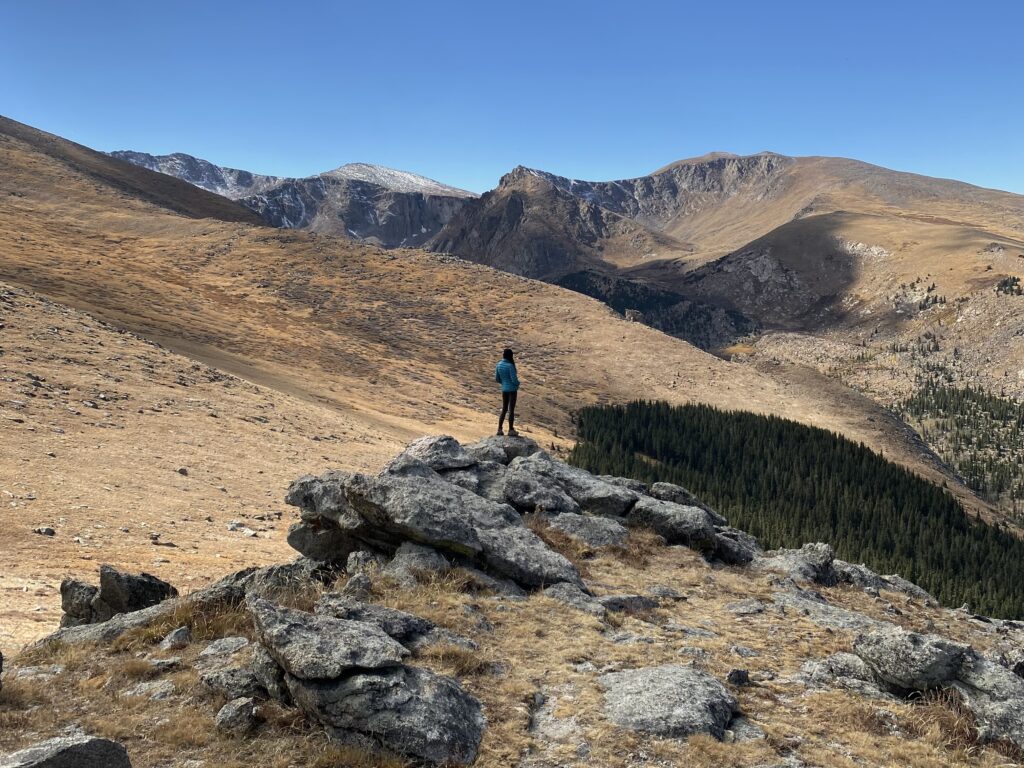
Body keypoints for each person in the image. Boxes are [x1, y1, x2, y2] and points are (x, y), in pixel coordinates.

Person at [495, 348, 520, 436]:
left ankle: (499, 429)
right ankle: (511, 429)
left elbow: (497, 378)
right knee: (511, 410)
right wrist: (517, 384)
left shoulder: (499, 364)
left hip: (504, 389)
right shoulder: (510, 366)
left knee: (504, 409)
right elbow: (514, 379)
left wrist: (504, 383)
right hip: (512, 390)